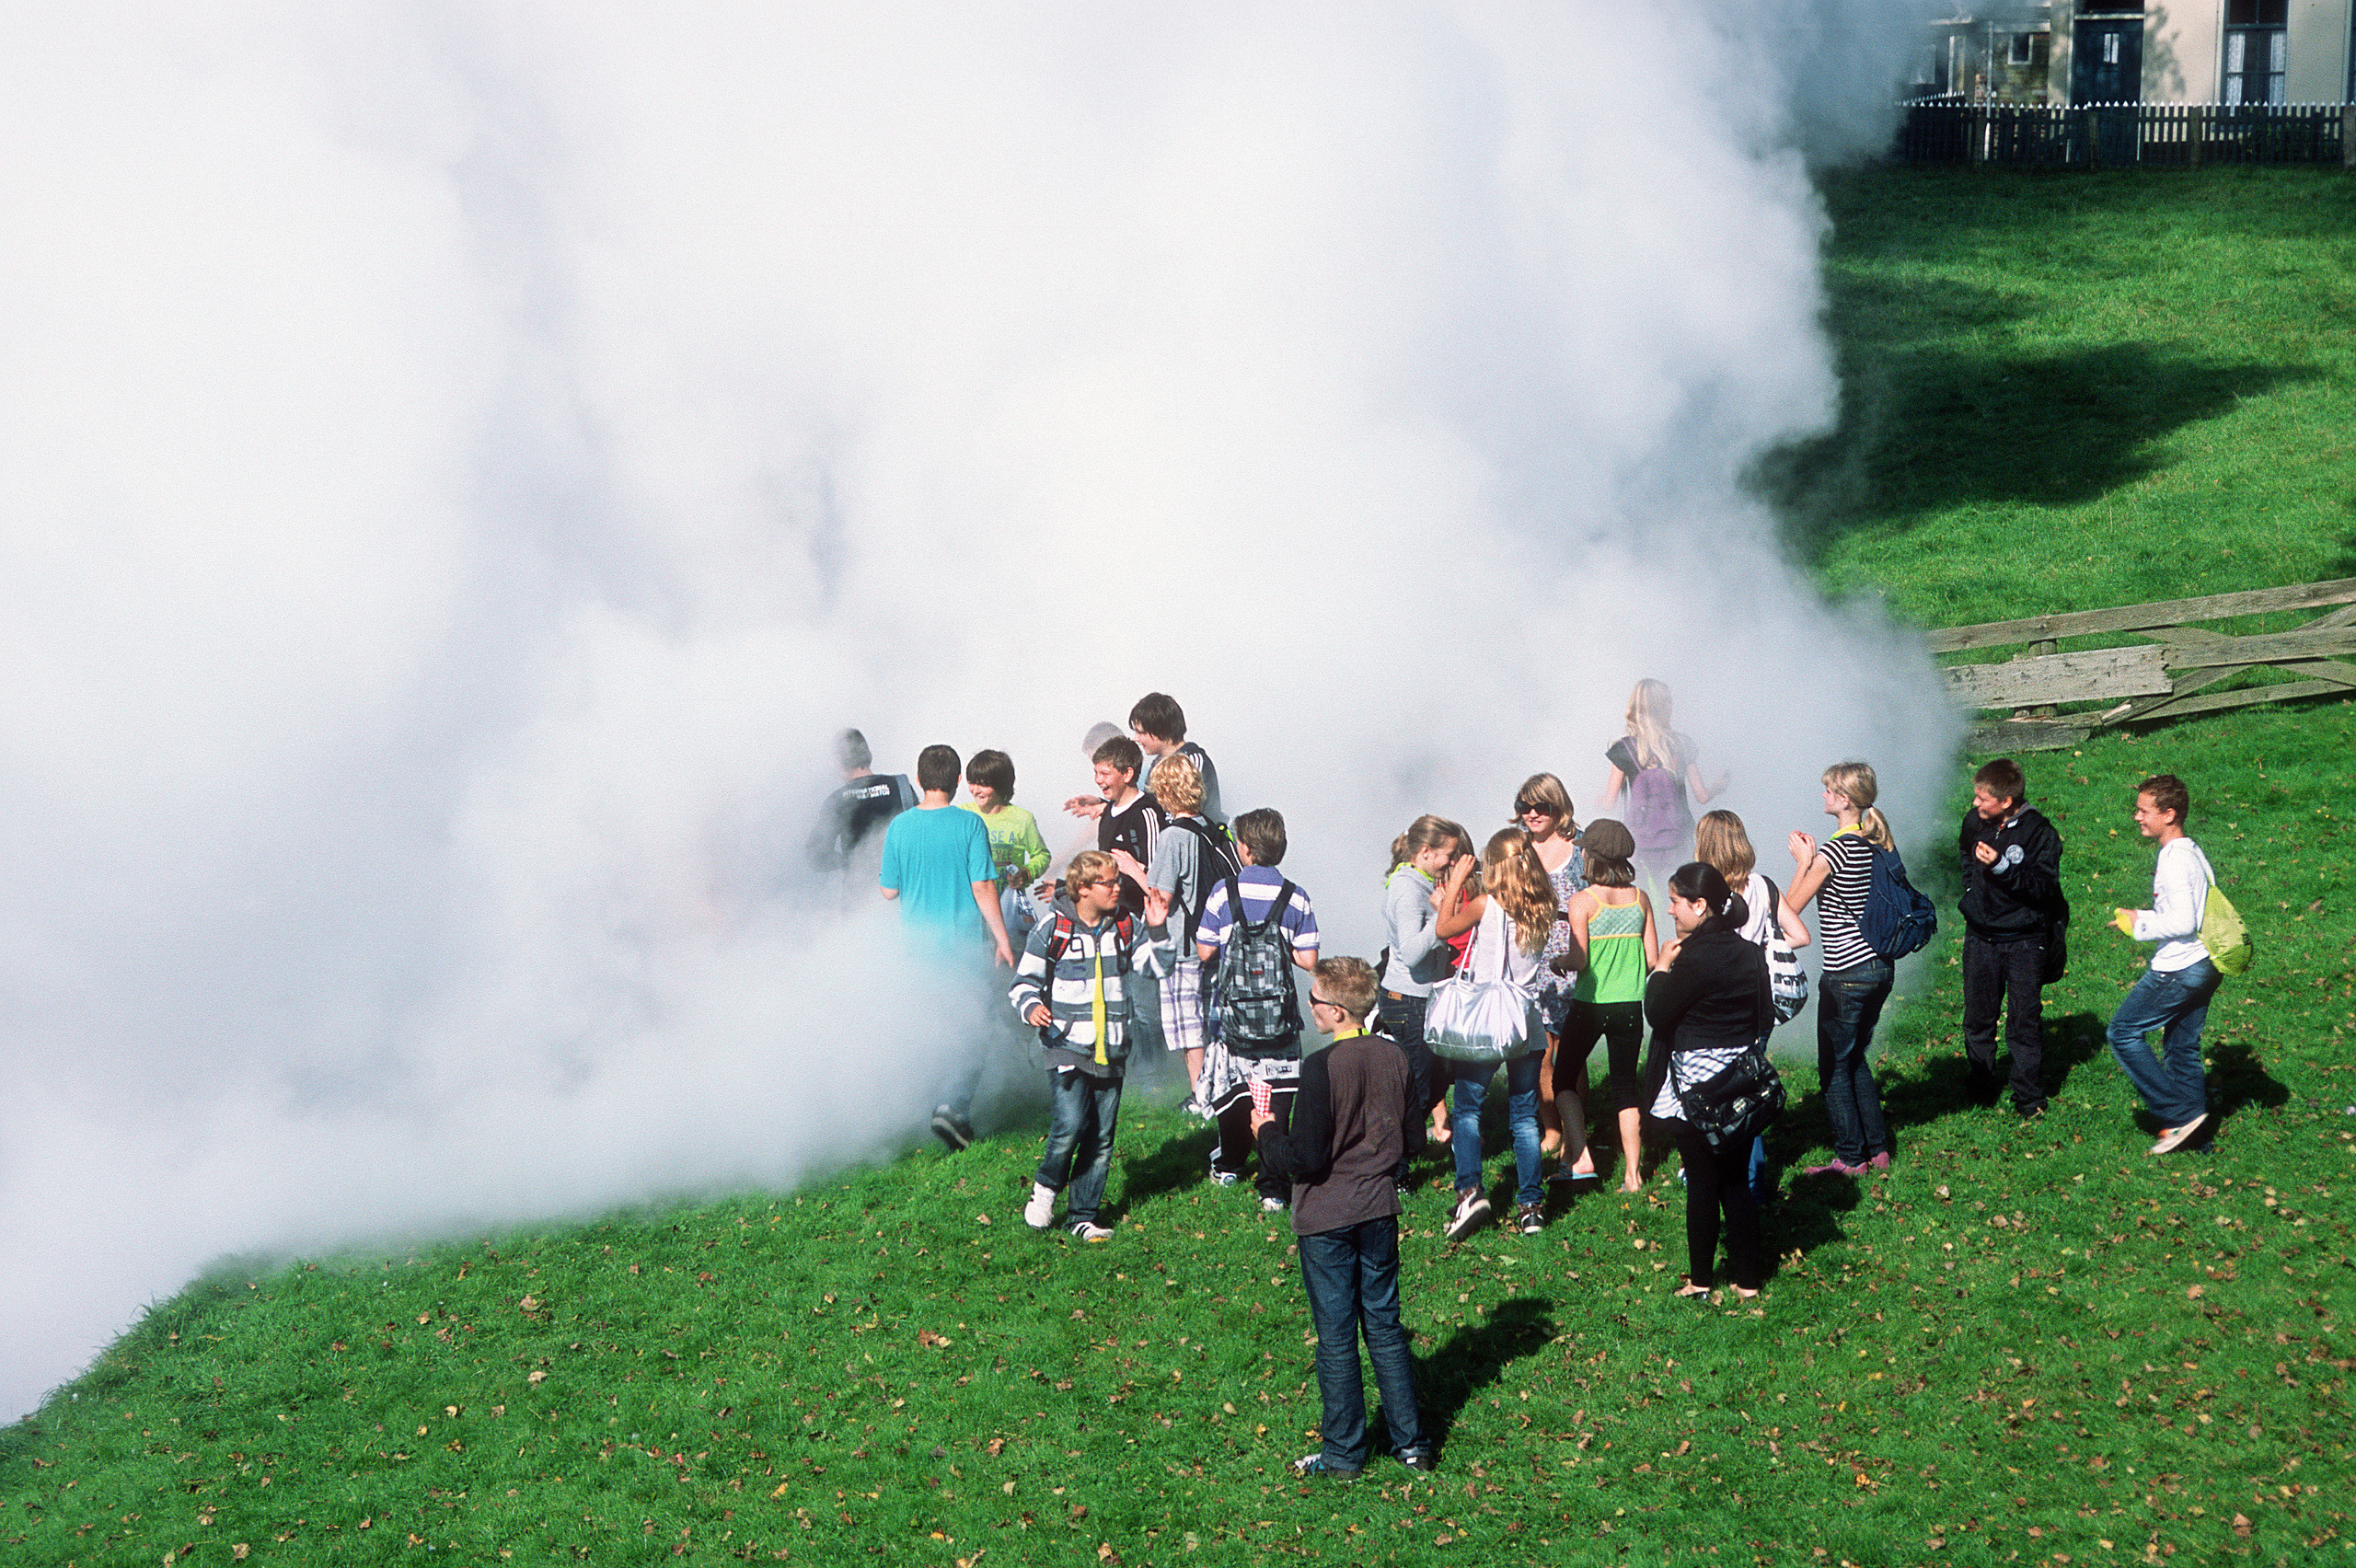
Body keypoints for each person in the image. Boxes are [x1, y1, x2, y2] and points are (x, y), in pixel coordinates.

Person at [1252, 955, 1435, 1479]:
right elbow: (1414, 1140)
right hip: (1379, 1209)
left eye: (1312, 1001)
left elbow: (1304, 1161)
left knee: (1336, 1336)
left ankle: (1343, 1456)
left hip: (1327, 1217)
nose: (1309, 1008)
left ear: (1334, 1011)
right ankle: (1413, 1446)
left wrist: (1265, 1131)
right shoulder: (1395, 1056)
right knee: (1384, 1326)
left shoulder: (1322, 1066)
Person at [1011, 852, 1175, 1240]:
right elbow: (1022, 983)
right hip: (1066, 1044)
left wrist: (1158, 929)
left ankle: (1083, 1215)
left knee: (1101, 1137)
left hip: (1112, 1047)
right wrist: (1032, 1007)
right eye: (1109, 883)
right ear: (1082, 889)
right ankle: (1046, 1188)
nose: (1118, 888)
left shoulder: (1124, 925)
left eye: (1118, 881)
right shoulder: (1052, 928)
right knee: (1069, 1124)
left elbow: (1156, 967)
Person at [1642, 862, 1773, 1302]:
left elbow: (1658, 1013)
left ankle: (1700, 1281)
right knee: (1735, 1180)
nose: (1670, 909)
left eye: (1677, 901)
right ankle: (1748, 1282)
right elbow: (1765, 1014)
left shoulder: (1693, 958)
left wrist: (1660, 968)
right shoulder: (1748, 951)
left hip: (1695, 1086)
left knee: (1701, 1182)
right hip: (1740, 1080)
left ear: (1700, 906)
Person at [878, 744, 1018, 1150]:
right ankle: (952, 1108)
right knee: (975, 1028)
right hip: (962, 948)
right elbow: (983, 885)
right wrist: (1003, 938)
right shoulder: (969, 825)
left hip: (917, 951)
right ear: (958, 781)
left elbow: (888, 891)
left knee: (933, 1028)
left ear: (919, 780)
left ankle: (919, 1109)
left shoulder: (899, 827)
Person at [1431, 827, 1556, 1240]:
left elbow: (1444, 929)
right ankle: (1531, 1206)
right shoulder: (1544, 904)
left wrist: (1452, 885)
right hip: (1524, 1022)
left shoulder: (1486, 905)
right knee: (1524, 1116)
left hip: (1485, 1023)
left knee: (1467, 1109)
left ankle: (1470, 1190)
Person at [1195, 808, 1320, 1209]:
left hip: (1232, 1017)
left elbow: (1206, 950)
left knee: (1235, 1093)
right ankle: (1273, 1188)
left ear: (1244, 849)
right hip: (1279, 1020)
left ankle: (1229, 1165)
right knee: (1277, 1098)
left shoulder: (1222, 891)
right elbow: (1308, 959)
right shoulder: (1295, 895)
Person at [1785, 761, 1898, 1177]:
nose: (1823, 795)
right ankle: (1878, 1150)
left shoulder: (1833, 851)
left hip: (1846, 975)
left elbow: (1790, 910)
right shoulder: (1874, 841)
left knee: (1834, 1066)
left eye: (1829, 790)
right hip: (1880, 969)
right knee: (1855, 1059)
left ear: (1845, 799)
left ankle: (1850, 1158)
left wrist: (1803, 861)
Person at [1694, 810, 1811, 1203]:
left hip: (1720, 1007)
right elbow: (1800, 935)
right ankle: (1750, 1181)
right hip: (1761, 1005)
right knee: (1749, 1085)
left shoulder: (1706, 896)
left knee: (1719, 1089)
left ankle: (1738, 1179)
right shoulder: (1764, 886)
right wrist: (1764, 951)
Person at [2106, 774, 2224, 1155]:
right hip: (2205, 964)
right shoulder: (2191, 851)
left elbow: (2183, 922)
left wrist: (2139, 926)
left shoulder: (2174, 860)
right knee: (2181, 1045)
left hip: (2180, 968)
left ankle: (2177, 1114)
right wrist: (2138, 913)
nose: (2137, 817)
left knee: (2122, 1033)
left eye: (2144, 811)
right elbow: (2183, 910)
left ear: (2169, 814)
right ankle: (2196, 1140)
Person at [1958, 757, 2063, 1120]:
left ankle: (2029, 1098)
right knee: (1977, 1019)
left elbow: (2043, 889)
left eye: (1982, 798)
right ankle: (1981, 1088)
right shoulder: (1975, 822)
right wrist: (1972, 890)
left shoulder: (2039, 834)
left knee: (2023, 1022)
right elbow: (1964, 856)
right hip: (1980, 939)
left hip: (2023, 941)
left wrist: (2002, 868)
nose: (1975, 805)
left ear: (2006, 801)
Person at [1557, 819, 1658, 1193]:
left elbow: (1579, 960)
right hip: (1630, 1004)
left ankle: (1580, 1154)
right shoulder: (1640, 899)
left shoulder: (1582, 902)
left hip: (1591, 1003)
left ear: (1590, 856)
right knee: (1624, 1087)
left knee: (1564, 1076)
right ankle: (1633, 1174)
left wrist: (1559, 963)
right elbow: (1651, 959)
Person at [1142, 753, 1236, 1115]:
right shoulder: (1216, 828)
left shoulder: (1172, 837)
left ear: (1163, 791)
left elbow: (1160, 897)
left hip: (1185, 947)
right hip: (1218, 942)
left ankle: (1202, 1096)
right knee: (1217, 1021)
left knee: (1189, 1026)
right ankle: (1225, 1089)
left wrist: (1134, 870)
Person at [1378, 815, 1471, 1170]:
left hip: (1420, 1000)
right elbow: (1413, 952)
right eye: (1448, 854)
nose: (1451, 862)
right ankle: (1394, 1167)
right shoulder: (1407, 889)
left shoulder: (1420, 882)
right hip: (1407, 1002)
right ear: (1426, 852)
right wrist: (1440, 914)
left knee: (1439, 1074)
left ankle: (1403, 1148)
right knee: (1418, 1087)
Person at [1511, 774, 1588, 1162]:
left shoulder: (1582, 846)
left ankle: (1578, 1127)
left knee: (1572, 1048)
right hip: (1530, 953)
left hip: (1572, 953)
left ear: (1560, 807)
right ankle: (1552, 1127)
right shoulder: (1518, 848)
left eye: (1542, 806)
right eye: (1525, 807)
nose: (1533, 814)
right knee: (1540, 1050)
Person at [1598, 679, 1726, 909]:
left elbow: (1609, 803)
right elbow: (1702, 795)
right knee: (1680, 900)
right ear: (1662, 707)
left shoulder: (1624, 748)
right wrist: (1719, 785)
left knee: (1646, 903)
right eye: (1669, 702)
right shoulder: (1681, 744)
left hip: (1639, 844)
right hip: (1678, 838)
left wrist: (1591, 799)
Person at [961, 748, 1053, 952]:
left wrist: (1027, 872)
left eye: (983, 784)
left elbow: (1042, 855)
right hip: (971, 918)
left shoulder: (1022, 819)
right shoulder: (963, 814)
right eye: (972, 782)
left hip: (1009, 915)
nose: (975, 790)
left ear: (1001, 784)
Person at [808, 728, 917, 894]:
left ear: (840, 763)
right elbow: (922, 833)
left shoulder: (837, 800)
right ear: (868, 755)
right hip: (903, 892)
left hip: (858, 898)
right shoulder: (901, 787)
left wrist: (849, 862)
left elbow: (815, 855)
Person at [1129, 691, 1226, 825]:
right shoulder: (1156, 765)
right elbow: (1147, 807)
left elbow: (1188, 812)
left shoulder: (1192, 761)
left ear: (1160, 730)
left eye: (1141, 732)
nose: (1136, 739)